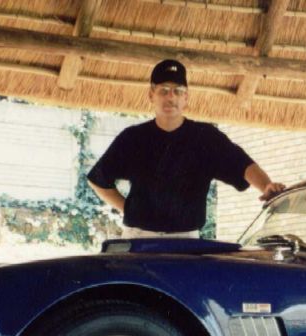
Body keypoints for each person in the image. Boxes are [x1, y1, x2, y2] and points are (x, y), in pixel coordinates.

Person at [88, 59, 286, 239]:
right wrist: (128, 209)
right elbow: (98, 179)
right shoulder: (132, 137)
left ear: (186, 97)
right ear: (151, 95)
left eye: (178, 91)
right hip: (139, 237)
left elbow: (242, 165)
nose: (170, 97)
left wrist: (266, 185)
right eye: (163, 90)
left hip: (186, 240)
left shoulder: (205, 137)